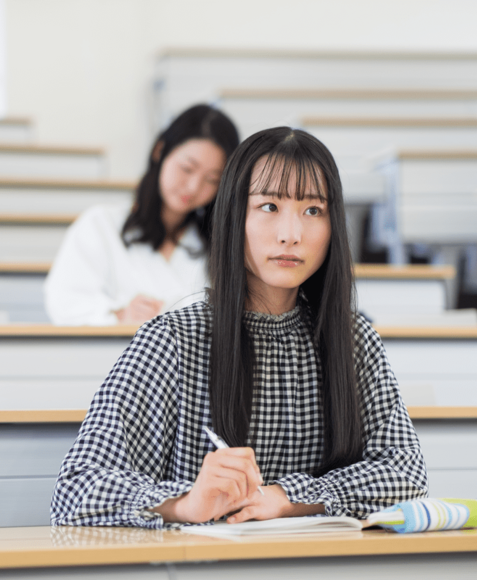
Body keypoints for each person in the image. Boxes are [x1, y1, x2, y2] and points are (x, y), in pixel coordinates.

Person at [50, 127, 428, 528]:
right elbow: (76, 488)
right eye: (269, 206)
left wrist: (286, 498)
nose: (291, 234)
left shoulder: (354, 341)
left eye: (313, 210)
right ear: (233, 215)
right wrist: (184, 504)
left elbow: (406, 473)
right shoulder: (173, 340)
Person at [43, 105, 240, 325]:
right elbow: (64, 303)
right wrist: (119, 315)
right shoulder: (101, 225)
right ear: (160, 151)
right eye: (187, 168)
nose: (193, 187)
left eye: (212, 179)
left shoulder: (218, 243)